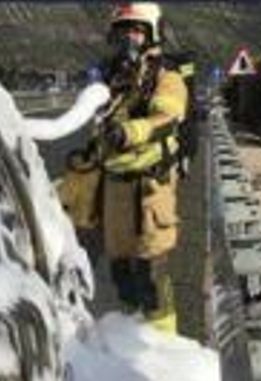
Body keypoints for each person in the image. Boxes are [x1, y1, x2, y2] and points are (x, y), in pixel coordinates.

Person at [66, 3, 188, 333]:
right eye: (122, 31)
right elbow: (99, 124)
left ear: (152, 34)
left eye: (135, 30)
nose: (128, 38)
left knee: (151, 274)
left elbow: (169, 116)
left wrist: (130, 132)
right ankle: (133, 334)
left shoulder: (166, 76)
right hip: (114, 187)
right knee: (122, 275)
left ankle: (164, 345)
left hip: (149, 188)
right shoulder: (115, 79)